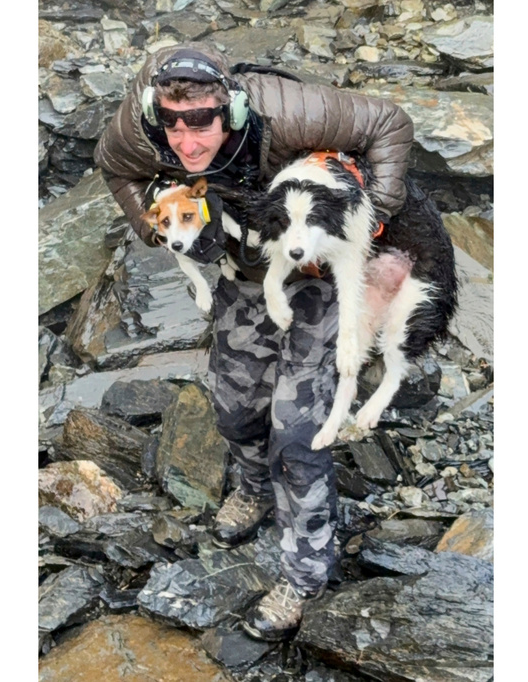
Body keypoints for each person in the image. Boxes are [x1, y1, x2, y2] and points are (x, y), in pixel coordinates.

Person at [93, 43, 415, 641]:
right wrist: (149, 224)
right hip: (247, 267)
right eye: (172, 122)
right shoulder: (136, 132)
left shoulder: (288, 110)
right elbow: (115, 168)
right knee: (235, 405)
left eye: (203, 122)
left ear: (232, 111)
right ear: (152, 111)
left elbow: (388, 122)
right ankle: (251, 489)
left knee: (297, 429)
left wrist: (372, 217)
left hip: (322, 267)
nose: (187, 141)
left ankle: (305, 571)